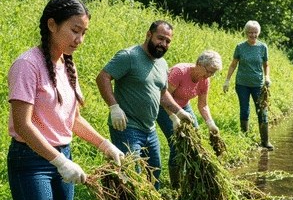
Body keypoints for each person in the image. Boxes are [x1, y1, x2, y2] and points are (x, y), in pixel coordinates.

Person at [7, 0, 124, 200]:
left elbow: (69, 120)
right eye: (75, 30)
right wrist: (58, 162)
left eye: (84, 32)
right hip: (31, 162)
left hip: (63, 156)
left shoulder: (64, 66)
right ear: (51, 25)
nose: (79, 39)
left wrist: (104, 145)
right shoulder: (27, 65)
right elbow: (23, 125)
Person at [96, 20, 193, 191]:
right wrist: (114, 107)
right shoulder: (129, 56)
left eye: (168, 41)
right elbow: (103, 77)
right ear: (149, 34)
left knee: (154, 175)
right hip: (127, 128)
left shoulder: (162, 64)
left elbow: (162, 94)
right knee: (132, 175)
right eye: (160, 38)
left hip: (150, 129)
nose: (163, 44)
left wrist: (178, 112)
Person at [157, 50, 223, 188]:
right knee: (178, 143)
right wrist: (174, 117)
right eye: (209, 71)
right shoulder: (179, 72)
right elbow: (163, 97)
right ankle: (176, 185)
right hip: (164, 107)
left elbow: (202, 105)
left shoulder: (205, 80)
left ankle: (191, 178)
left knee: (196, 140)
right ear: (199, 64)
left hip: (184, 106)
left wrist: (211, 124)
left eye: (213, 73)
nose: (210, 75)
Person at [222, 20, 274, 150]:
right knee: (244, 110)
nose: (253, 35)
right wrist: (227, 80)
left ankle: (265, 141)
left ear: (258, 33)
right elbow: (233, 64)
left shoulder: (263, 47)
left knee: (262, 111)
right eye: (250, 32)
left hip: (258, 84)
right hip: (242, 84)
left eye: (255, 32)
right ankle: (245, 138)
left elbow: (266, 65)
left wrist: (267, 76)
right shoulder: (240, 47)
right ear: (246, 33)